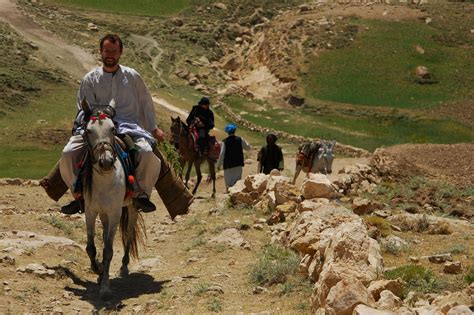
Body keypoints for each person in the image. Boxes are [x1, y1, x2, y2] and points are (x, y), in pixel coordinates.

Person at [59, 33, 164, 215]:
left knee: (147, 154)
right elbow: (83, 109)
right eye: (106, 50)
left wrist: (153, 127)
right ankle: (78, 195)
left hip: (128, 126)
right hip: (97, 127)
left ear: (120, 53)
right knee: (68, 154)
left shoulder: (133, 77)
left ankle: (141, 194)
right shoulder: (90, 79)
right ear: (100, 51)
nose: (110, 54)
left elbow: (145, 102)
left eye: (114, 51)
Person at [216, 123, 251, 192]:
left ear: (227, 132)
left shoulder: (224, 142)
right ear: (235, 131)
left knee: (228, 183)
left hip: (228, 165)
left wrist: (219, 164)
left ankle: (229, 196)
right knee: (237, 182)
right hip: (238, 164)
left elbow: (222, 154)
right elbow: (248, 148)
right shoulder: (240, 139)